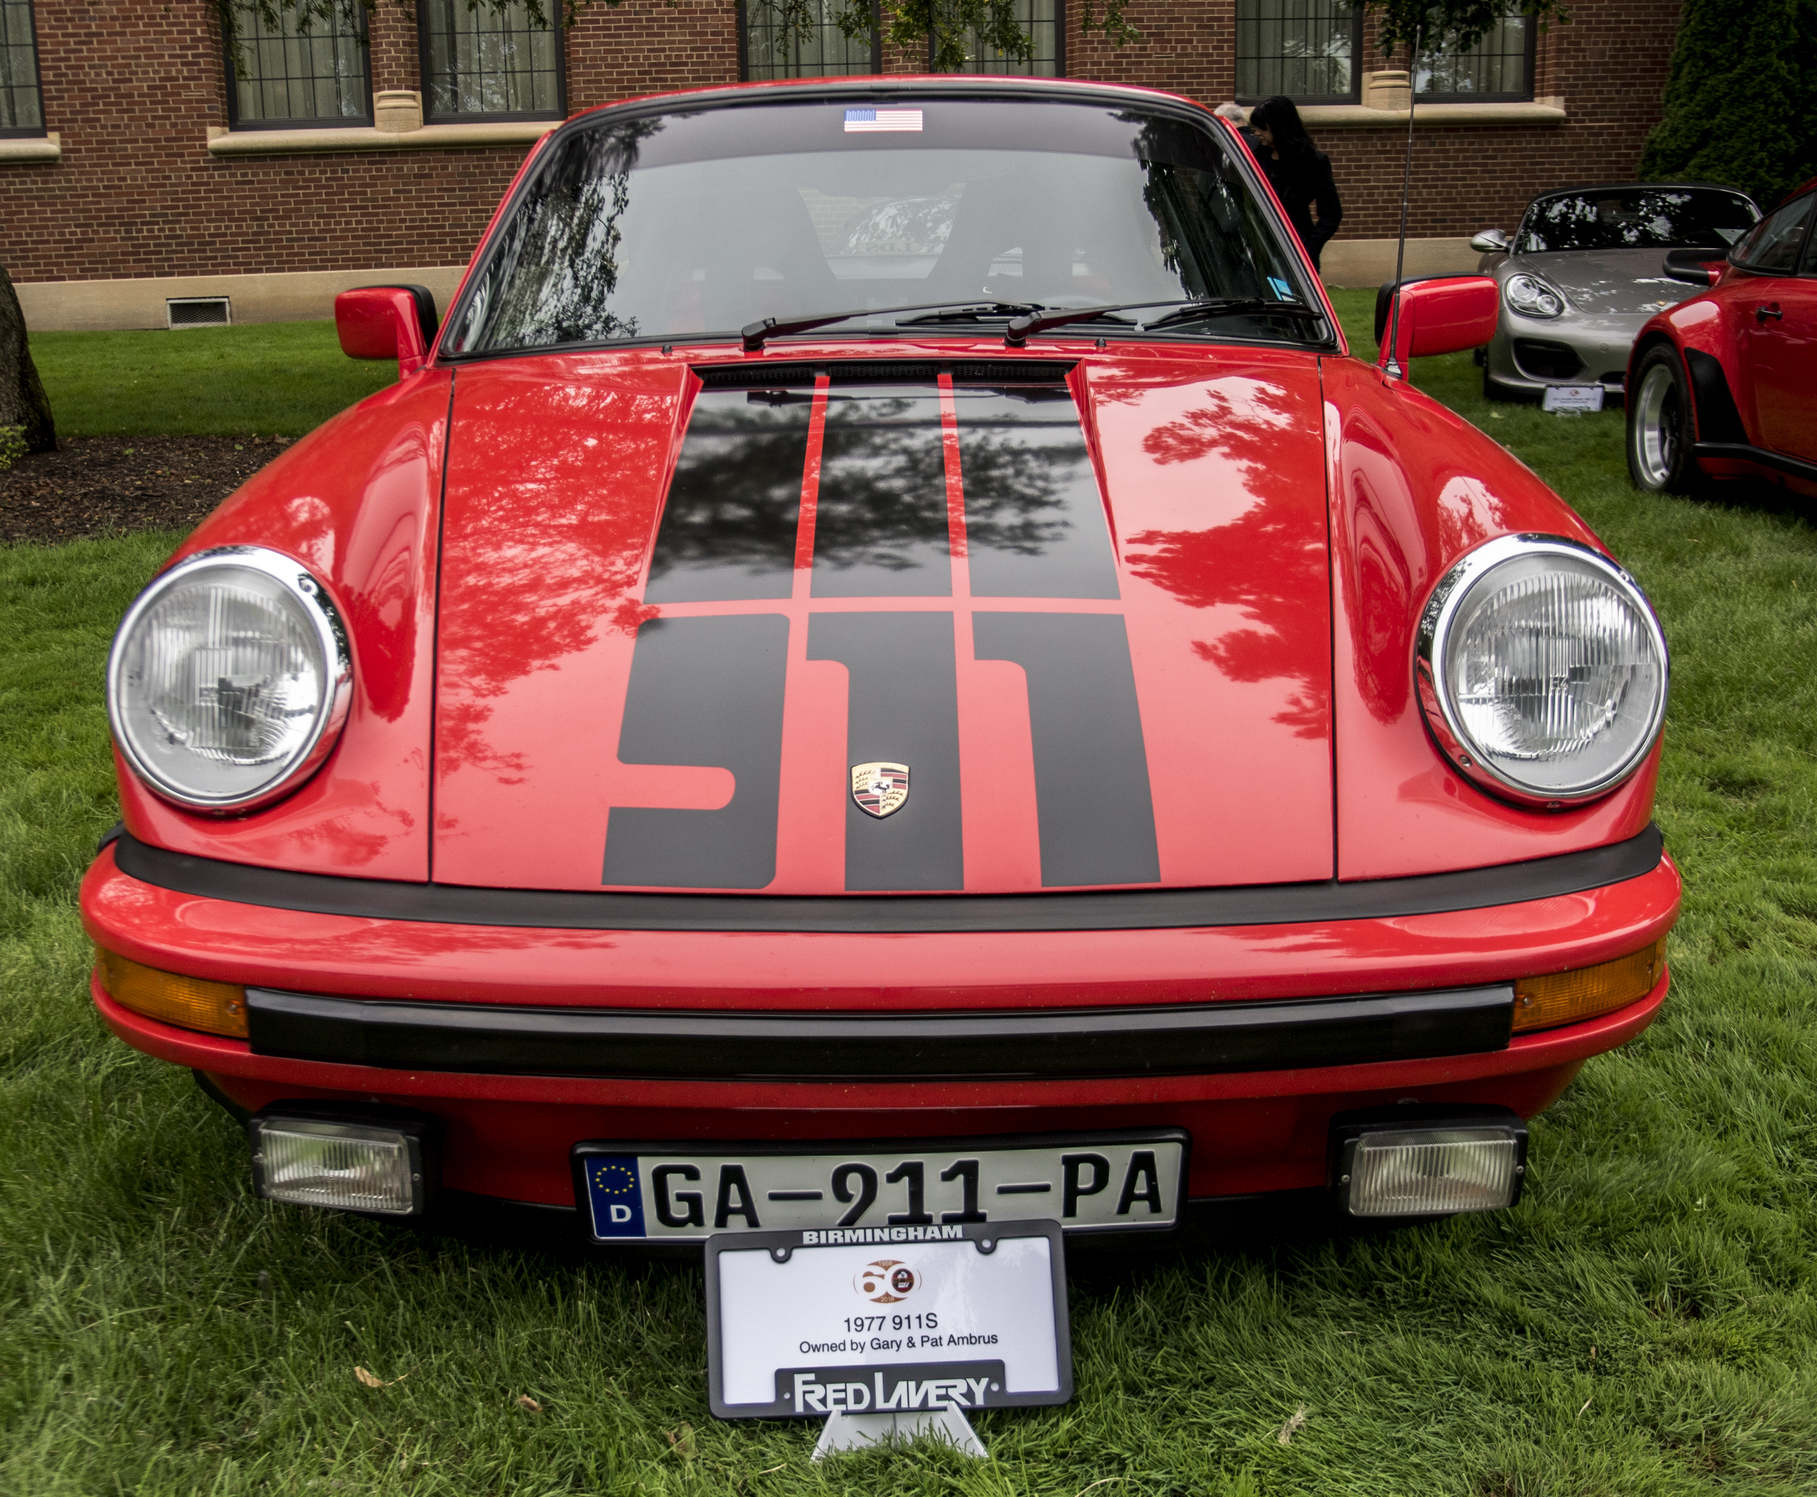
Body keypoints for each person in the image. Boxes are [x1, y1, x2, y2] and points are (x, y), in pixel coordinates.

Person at [1246, 96, 1344, 273]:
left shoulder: (1313, 162)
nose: (1257, 133)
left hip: (1296, 253)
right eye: (1255, 127)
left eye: (1263, 128)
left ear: (1279, 127)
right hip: (1257, 252)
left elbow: (1332, 213)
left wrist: (1309, 249)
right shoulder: (1254, 158)